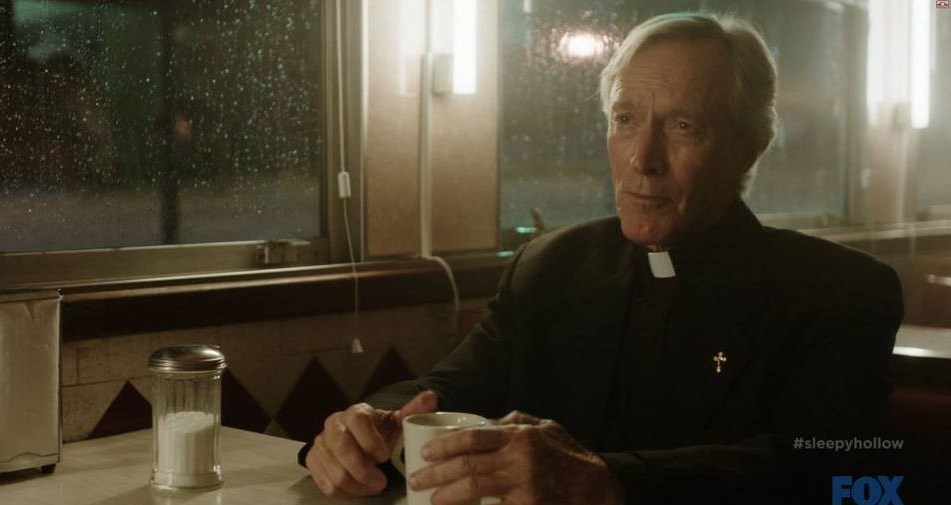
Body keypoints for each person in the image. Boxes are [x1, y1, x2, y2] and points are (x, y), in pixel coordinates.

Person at [298, 12, 903, 504]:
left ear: (750, 146)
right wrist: (361, 424)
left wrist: (609, 481)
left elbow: (846, 480)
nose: (643, 157)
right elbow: (440, 392)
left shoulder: (837, 293)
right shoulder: (552, 266)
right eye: (625, 119)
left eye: (684, 126)